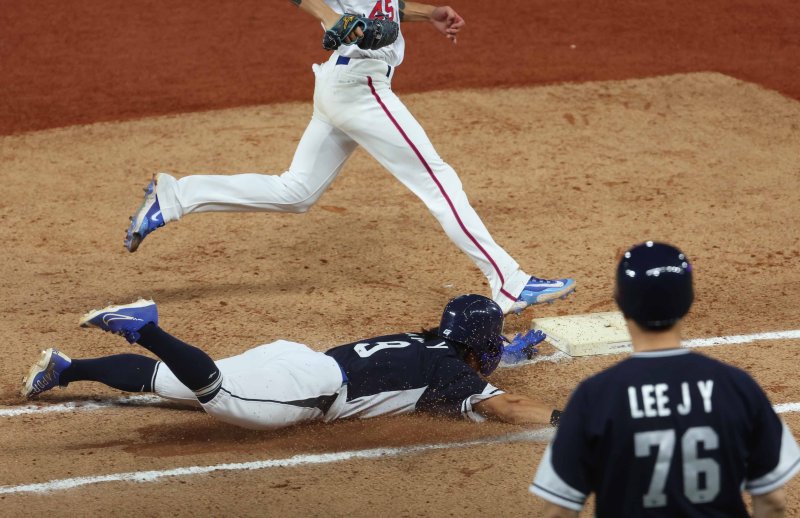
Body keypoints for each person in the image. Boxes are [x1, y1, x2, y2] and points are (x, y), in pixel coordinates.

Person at [122, 0, 576, 315]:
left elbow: (376, 8)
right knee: (438, 180)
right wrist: (330, 17)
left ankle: (175, 196)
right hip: (360, 87)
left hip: (340, 87)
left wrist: (427, 14)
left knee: (296, 191)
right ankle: (510, 282)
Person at [530, 241, 800, 517]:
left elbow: (558, 511)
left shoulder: (595, 396)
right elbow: (774, 502)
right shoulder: (737, 386)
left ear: (621, 302)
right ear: (688, 301)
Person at [21, 294, 561, 429]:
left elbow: (463, 357)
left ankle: (67, 368)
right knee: (222, 399)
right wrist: (565, 421)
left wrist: (510, 350)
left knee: (173, 383)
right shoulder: (452, 373)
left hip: (293, 360)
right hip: (312, 388)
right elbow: (507, 405)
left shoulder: (425, 343)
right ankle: (149, 328)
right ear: (477, 348)